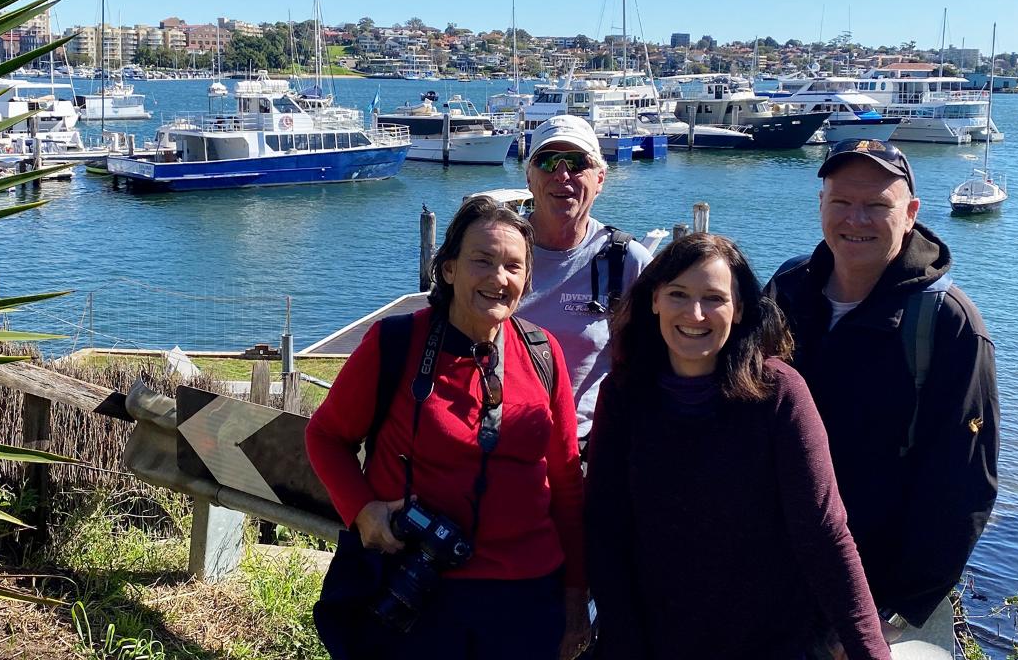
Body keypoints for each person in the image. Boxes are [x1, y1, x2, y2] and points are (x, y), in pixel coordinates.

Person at [306, 197, 590, 660]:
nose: (499, 278)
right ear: (450, 269)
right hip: (415, 589)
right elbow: (325, 436)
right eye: (483, 260)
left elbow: (565, 483)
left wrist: (576, 596)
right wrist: (361, 511)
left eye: (513, 267)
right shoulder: (395, 345)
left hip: (526, 598)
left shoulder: (544, 354)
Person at [585, 233, 891, 660]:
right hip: (653, 638)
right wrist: (623, 637)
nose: (695, 313)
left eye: (714, 298)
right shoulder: (624, 393)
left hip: (768, 640)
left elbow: (823, 532)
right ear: (654, 300)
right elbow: (605, 525)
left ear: (740, 308)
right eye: (678, 294)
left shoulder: (779, 392)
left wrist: (869, 649)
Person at [767, 138, 1000, 640]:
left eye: (877, 205)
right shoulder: (786, 291)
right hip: (773, 576)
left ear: (911, 213)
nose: (857, 220)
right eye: (842, 203)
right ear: (821, 206)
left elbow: (963, 487)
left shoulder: (947, 323)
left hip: (869, 596)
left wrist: (895, 613)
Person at [517, 114, 653, 445]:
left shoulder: (627, 260)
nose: (562, 174)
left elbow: (659, 358)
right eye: (547, 161)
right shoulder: (497, 250)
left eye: (577, 163)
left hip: (586, 450)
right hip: (499, 447)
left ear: (600, 178)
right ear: (529, 177)